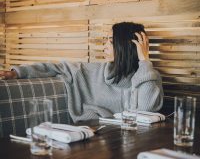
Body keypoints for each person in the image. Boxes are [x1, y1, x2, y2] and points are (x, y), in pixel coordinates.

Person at [0, 22, 163, 122]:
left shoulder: (148, 77)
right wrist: (17, 72)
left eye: (111, 41)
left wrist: (145, 61)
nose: (105, 46)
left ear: (127, 47)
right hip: (99, 140)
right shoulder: (92, 71)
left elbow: (146, 111)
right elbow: (56, 67)